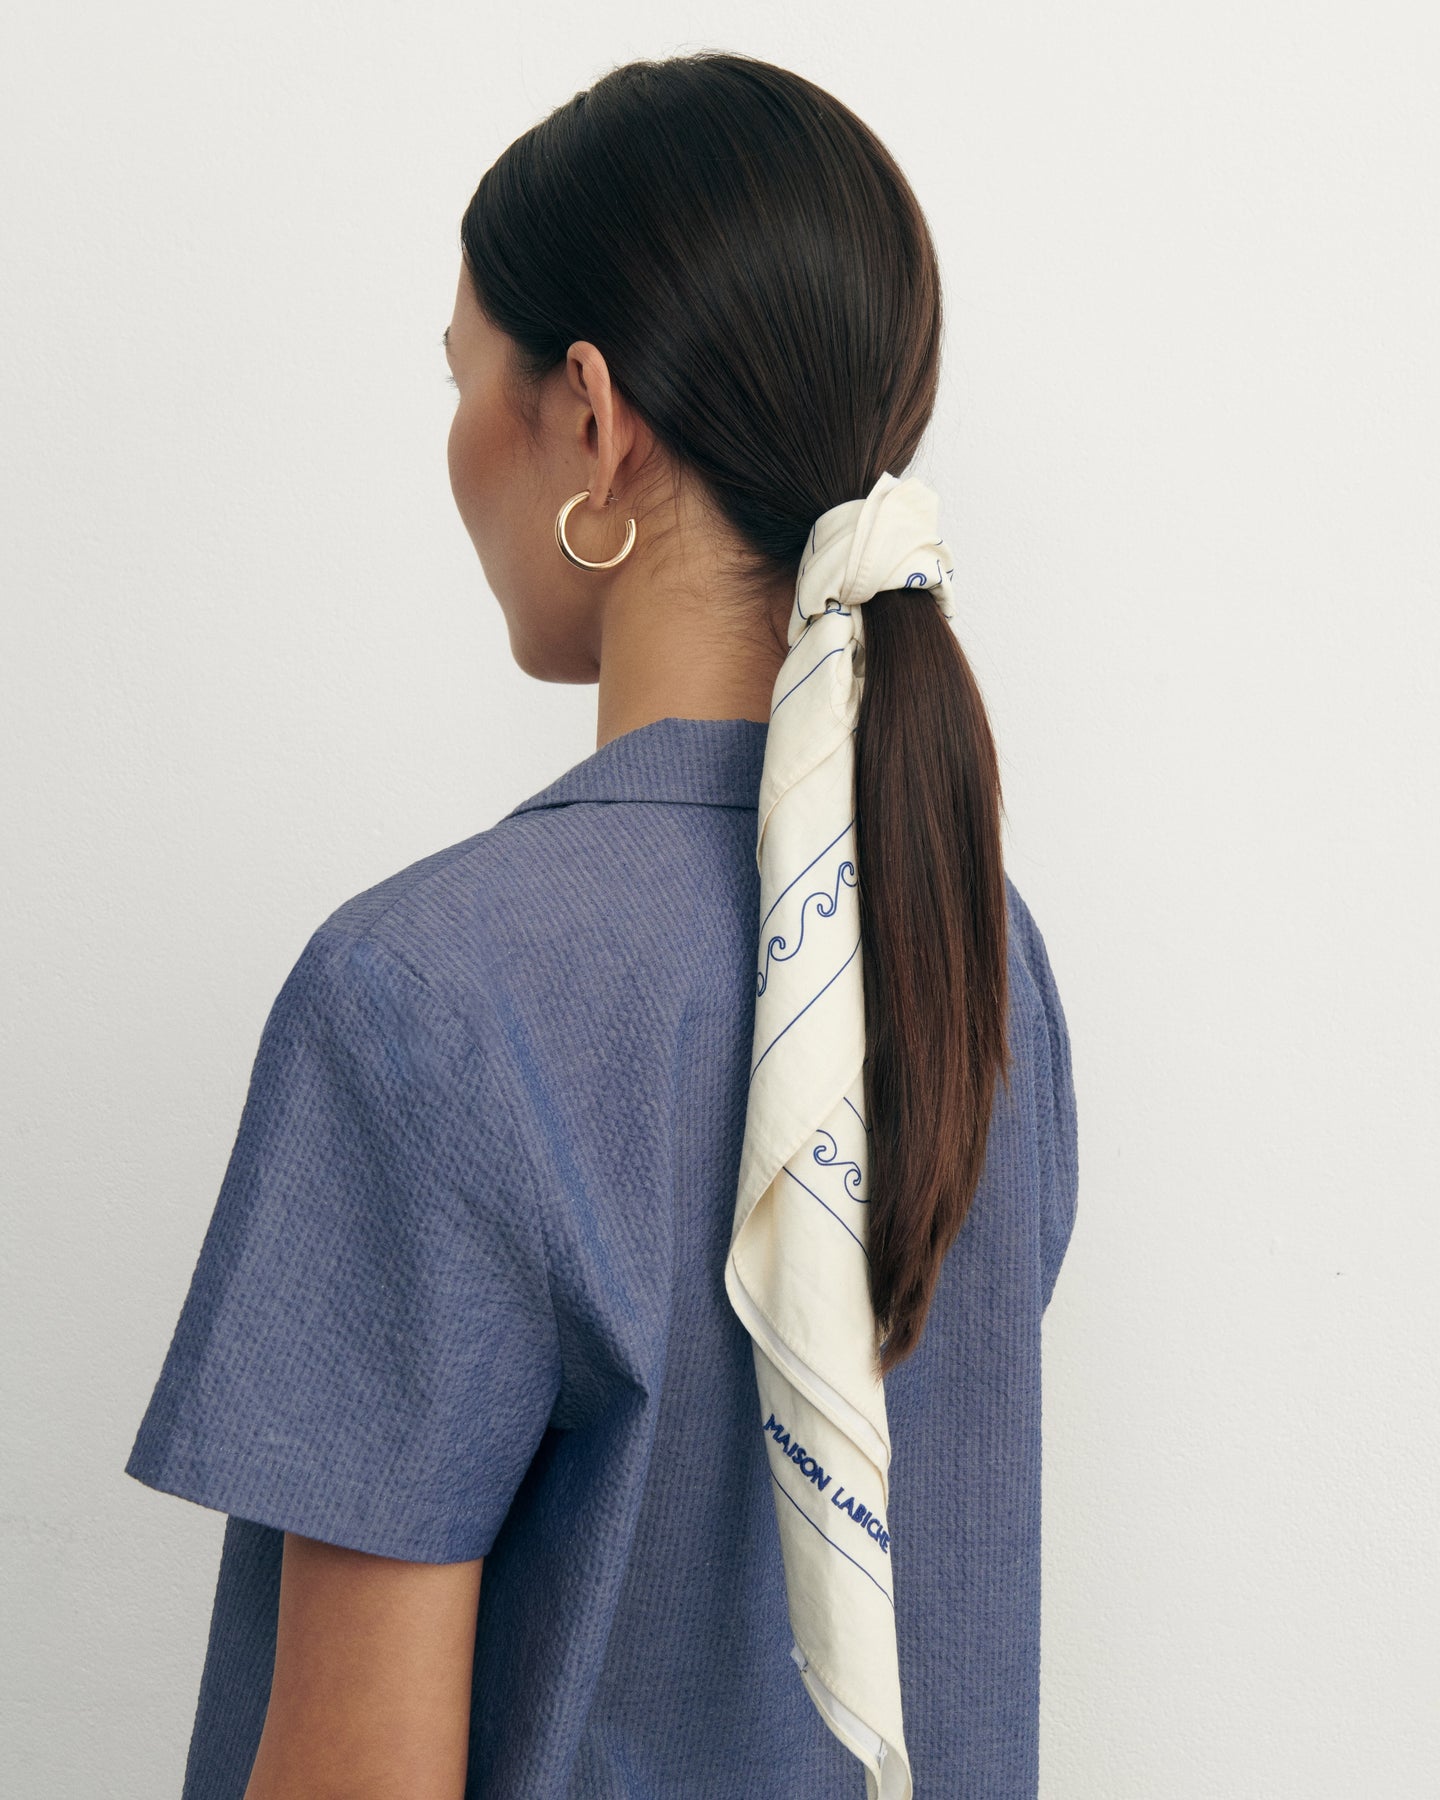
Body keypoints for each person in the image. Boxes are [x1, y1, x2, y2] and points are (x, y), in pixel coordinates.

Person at [124, 48, 1080, 1800]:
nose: (452, 445)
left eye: (461, 378)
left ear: (590, 417)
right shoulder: (975, 952)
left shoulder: (428, 1000)